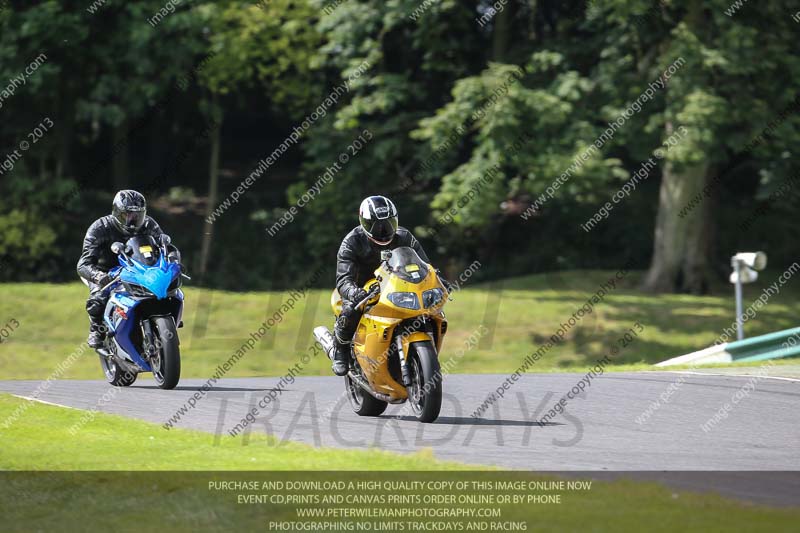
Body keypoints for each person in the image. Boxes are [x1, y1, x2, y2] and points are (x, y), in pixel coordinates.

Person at [332, 195, 433, 376]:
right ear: (364, 222)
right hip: (363, 288)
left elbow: (426, 266)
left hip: (396, 285)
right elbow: (343, 279)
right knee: (350, 311)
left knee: (431, 309)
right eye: (376, 225)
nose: (383, 230)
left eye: (388, 223)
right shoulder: (352, 242)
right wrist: (353, 292)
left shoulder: (404, 236)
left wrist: (437, 279)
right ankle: (341, 349)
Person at [77, 190, 172, 348]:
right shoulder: (99, 228)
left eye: (137, 216)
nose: (132, 222)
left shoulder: (149, 224)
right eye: (127, 215)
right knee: (98, 299)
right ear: (116, 212)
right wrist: (98, 276)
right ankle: (96, 330)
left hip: (138, 269)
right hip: (105, 271)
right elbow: (83, 264)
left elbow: (164, 248)